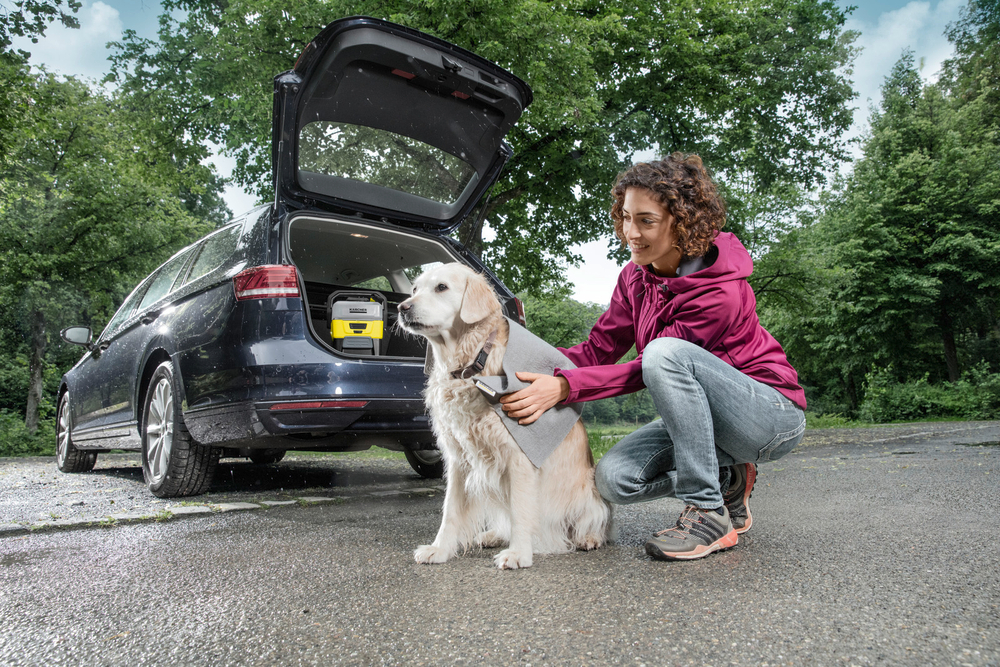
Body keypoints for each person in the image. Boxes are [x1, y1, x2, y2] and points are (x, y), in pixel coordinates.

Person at [499, 153, 807, 561]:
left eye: (646, 221)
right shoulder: (635, 277)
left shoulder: (721, 291)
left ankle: (708, 512)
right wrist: (521, 364)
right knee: (613, 481)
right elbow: (598, 349)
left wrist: (565, 388)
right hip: (704, 422)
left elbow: (648, 368)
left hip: (768, 416)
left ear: (682, 222)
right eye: (626, 217)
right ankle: (728, 480)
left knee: (663, 353)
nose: (630, 232)